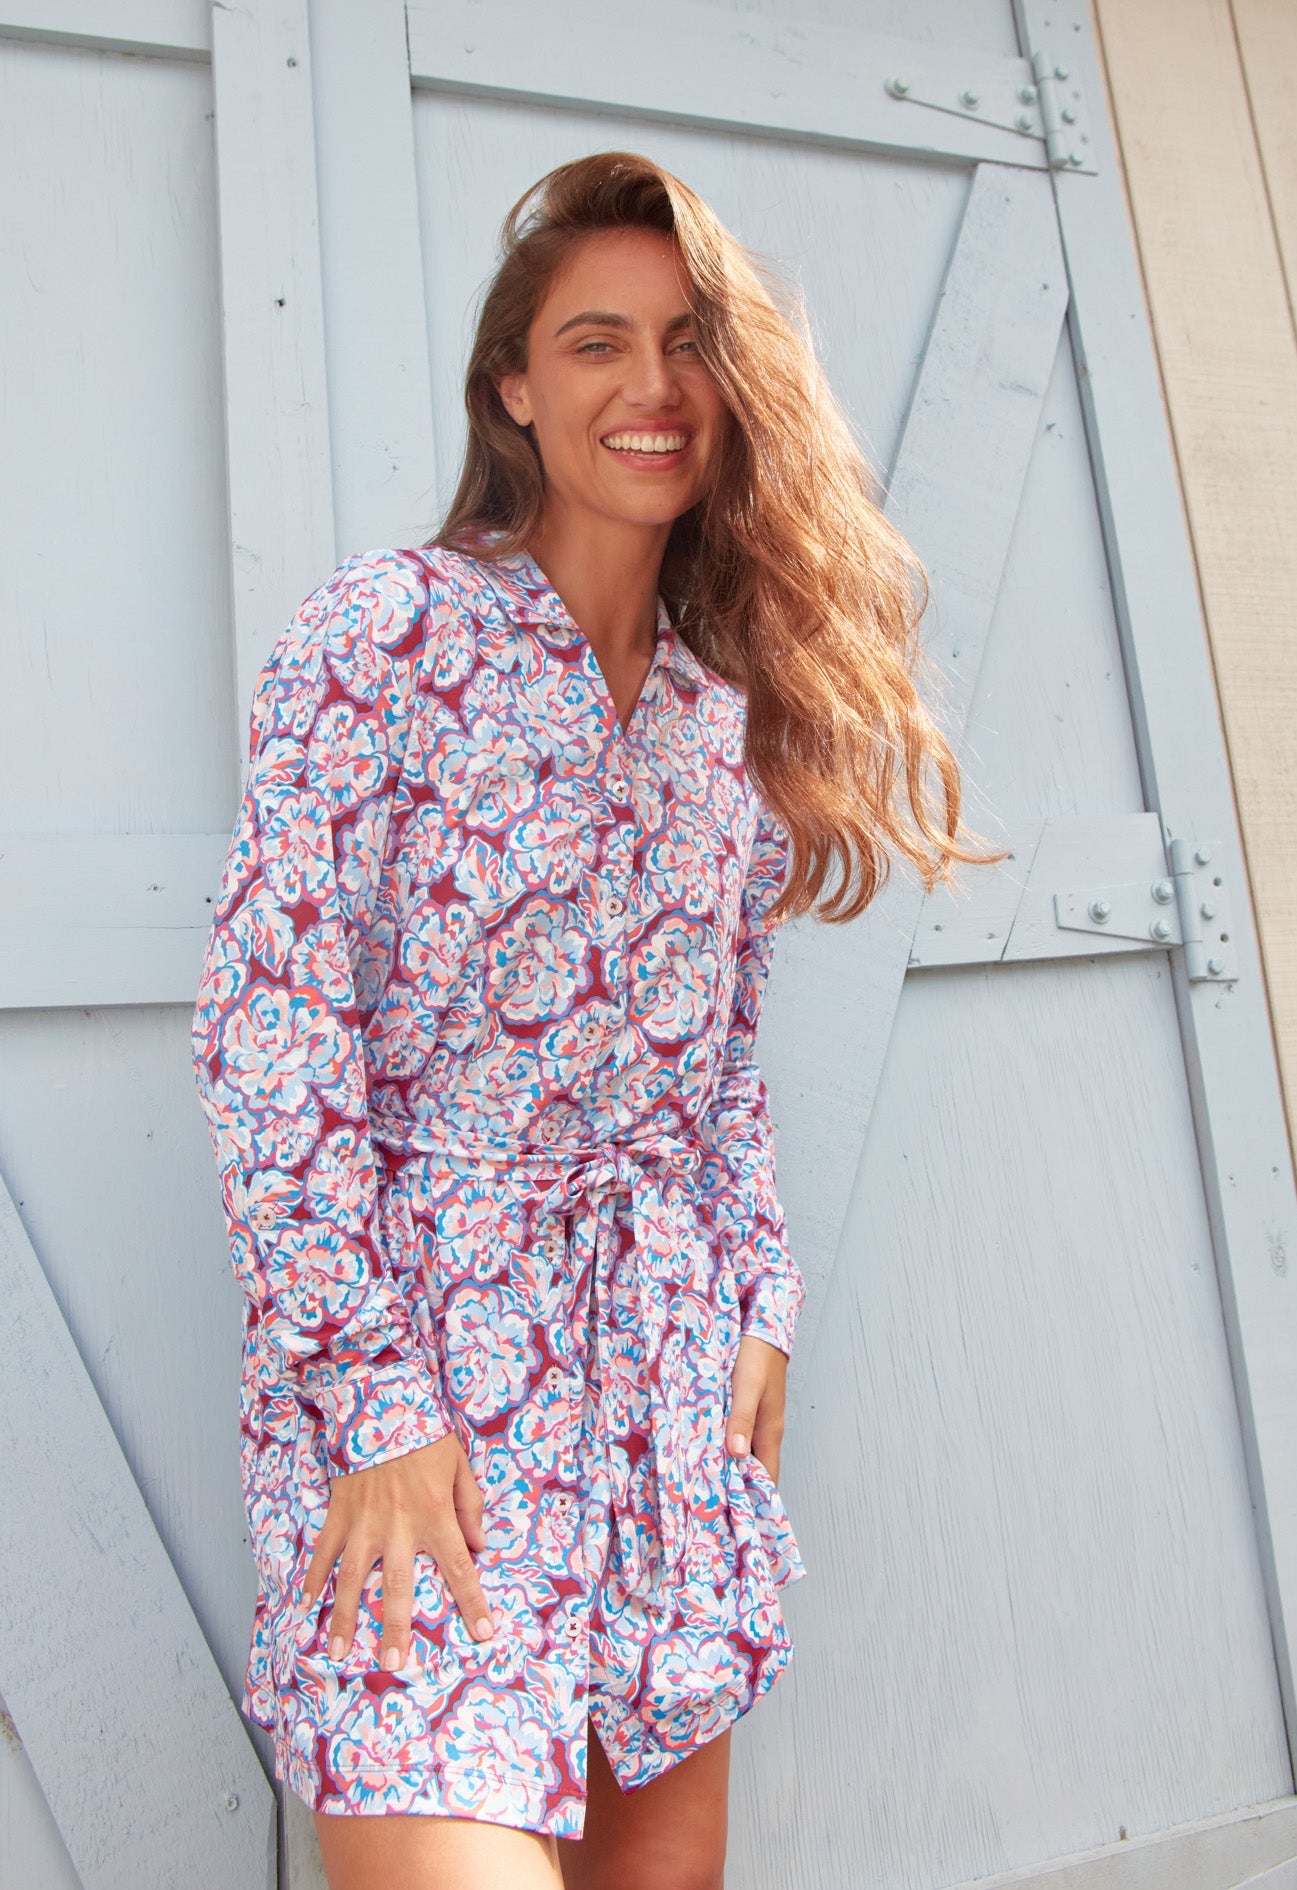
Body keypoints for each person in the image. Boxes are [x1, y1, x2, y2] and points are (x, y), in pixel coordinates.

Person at [190, 150, 992, 1890]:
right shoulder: (386, 638)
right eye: (596, 342)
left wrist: (758, 1299)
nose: (653, 385)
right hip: (424, 1397)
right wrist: (376, 1407)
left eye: (690, 340)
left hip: (659, 1390)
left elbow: (721, 1073)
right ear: (513, 387)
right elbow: (271, 1038)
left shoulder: (722, 715)